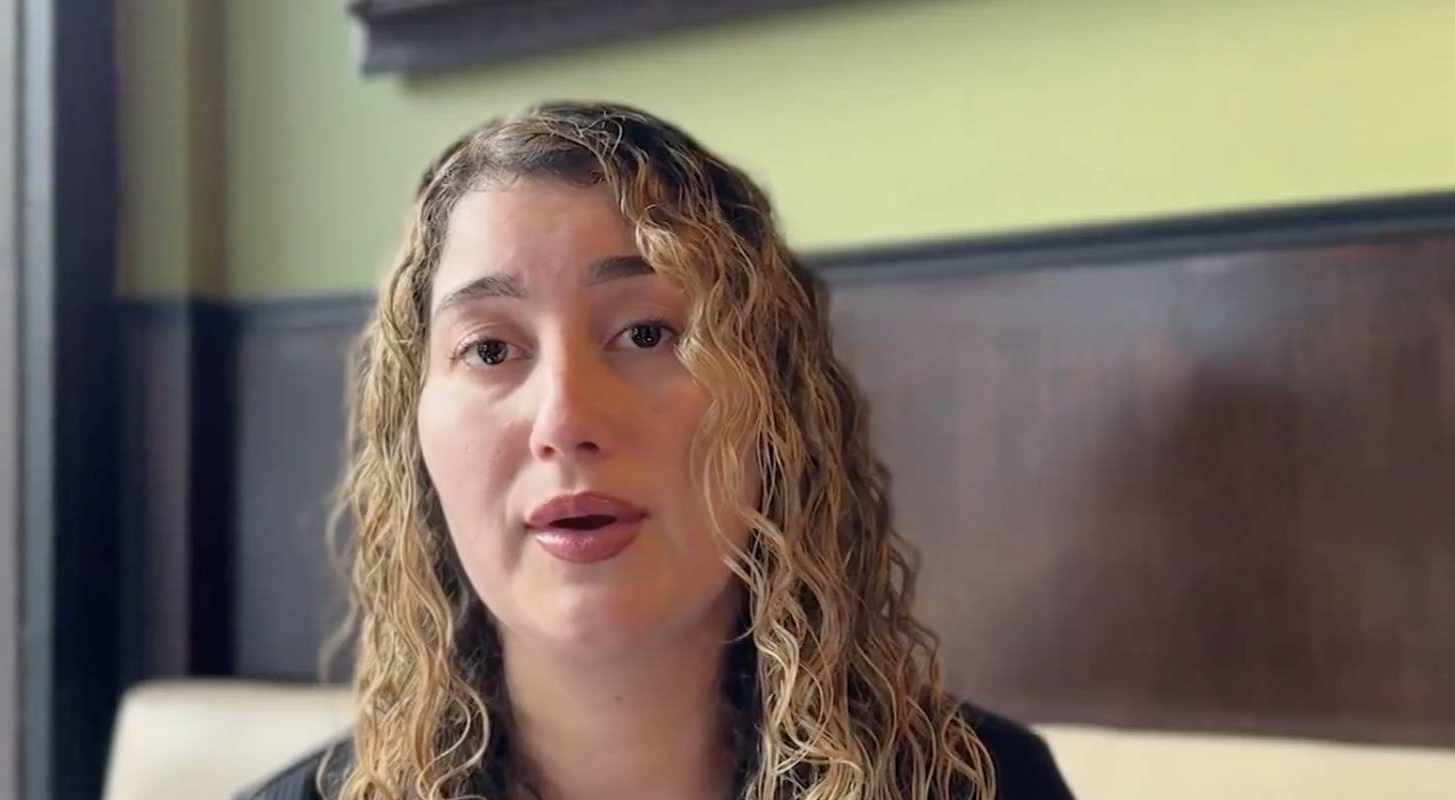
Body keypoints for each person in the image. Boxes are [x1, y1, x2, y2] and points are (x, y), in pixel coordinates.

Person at [243, 102, 1073, 800]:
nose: (564, 419)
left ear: (776, 409)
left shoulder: (980, 784)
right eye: (490, 350)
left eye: (646, 333)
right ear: (414, 436)